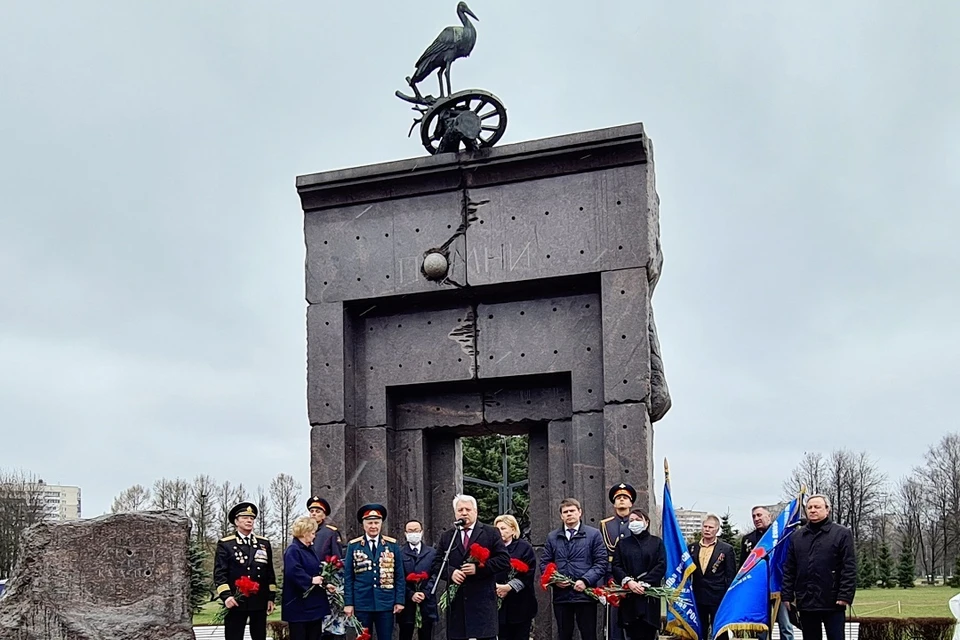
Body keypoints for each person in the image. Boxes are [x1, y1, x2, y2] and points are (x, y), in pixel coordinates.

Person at [431, 494, 510, 640]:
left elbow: (503, 560)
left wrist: (479, 569)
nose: (464, 513)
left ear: (476, 511)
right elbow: (437, 563)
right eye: (460, 510)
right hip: (457, 604)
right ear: (455, 513)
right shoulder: (448, 536)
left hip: (482, 600)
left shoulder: (490, 532)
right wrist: (451, 573)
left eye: (468, 509)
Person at [781, 494, 856, 640]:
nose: (813, 510)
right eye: (809, 507)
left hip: (833, 600)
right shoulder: (796, 536)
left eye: (817, 507)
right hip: (806, 600)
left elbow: (849, 567)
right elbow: (789, 568)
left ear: (827, 510)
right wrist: (787, 595)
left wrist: (845, 595)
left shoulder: (842, 533)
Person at [541, 498, 608, 640]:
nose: (569, 514)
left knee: (588, 634)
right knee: (564, 635)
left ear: (580, 513)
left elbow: (601, 562)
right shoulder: (552, 537)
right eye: (565, 512)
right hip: (562, 596)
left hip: (585, 595)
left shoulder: (593, 534)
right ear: (561, 516)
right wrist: (554, 580)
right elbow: (545, 563)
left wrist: (585, 580)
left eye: (572, 511)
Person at [213, 502, 277, 640]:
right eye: (244, 517)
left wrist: (271, 597)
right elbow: (220, 574)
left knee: (259, 636)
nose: (249, 521)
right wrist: (226, 596)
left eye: (251, 518)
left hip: (258, 600)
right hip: (236, 600)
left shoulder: (263, 543)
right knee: (234, 636)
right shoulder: (226, 544)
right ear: (236, 521)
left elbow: (269, 573)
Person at [343, 503, 406, 640]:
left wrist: (399, 600)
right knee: (363, 638)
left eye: (376, 522)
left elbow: (399, 576)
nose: (373, 526)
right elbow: (348, 577)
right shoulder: (354, 546)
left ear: (381, 524)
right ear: (363, 525)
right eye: (369, 523)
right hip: (362, 603)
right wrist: (348, 603)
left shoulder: (392, 545)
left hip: (385, 602)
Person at [611, 509, 666, 640]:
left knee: (648, 633)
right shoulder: (623, 544)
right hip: (630, 597)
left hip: (649, 596)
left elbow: (661, 565)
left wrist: (644, 583)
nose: (634, 522)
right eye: (631, 520)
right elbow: (616, 566)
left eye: (638, 520)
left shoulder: (656, 542)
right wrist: (628, 581)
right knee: (631, 633)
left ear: (646, 522)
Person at [741, 505, 794, 640]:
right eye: (754, 516)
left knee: (785, 625)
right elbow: (743, 566)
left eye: (759, 515)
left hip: (779, 586)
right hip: (758, 589)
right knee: (761, 626)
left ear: (769, 516)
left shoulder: (782, 534)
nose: (756, 518)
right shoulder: (748, 539)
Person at [282, 516, 333, 640]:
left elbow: (315, 571)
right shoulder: (293, 550)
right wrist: (310, 580)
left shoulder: (310, 549)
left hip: (314, 605)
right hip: (299, 607)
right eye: (312, 533)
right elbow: (293, 571)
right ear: (304, 533)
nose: (314, 536)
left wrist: (325, 584)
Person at [689, 513, 736, 640]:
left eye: (710, 527)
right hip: (698, 596)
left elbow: (730, 575)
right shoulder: (692, 548)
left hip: (718, 596)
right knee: (700, 628)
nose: (707, 530)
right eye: (705, 527)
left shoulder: (726, 549)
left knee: (720, 629)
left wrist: (727, 596)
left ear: (717, 529)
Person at [307, 496, 346, 640]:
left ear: (324, 515)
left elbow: (337, 560)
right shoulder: (304, 531)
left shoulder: (330, 532)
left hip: (328, 583)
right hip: (310, 583)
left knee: (330, 625)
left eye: (317, 511)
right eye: (311, 511)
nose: (314, 514)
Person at [493, 514, 538, 640]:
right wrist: (496, 587)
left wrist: (508, 587)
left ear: (513, 530)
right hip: (498, 604)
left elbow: (529, 573)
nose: (500, 532)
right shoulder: (492, 548)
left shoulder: (524, 548)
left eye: (503, 528)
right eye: (497, 529)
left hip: (520, 604)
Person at [601, 483, 637, 640]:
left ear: (631, 503)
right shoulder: (605, 524)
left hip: (633, 577)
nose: (622, 500)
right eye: (618, 498)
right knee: (613, 624)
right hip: (612, 578)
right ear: (614, 503)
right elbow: (602, 553)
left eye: (625, 498)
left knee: (634, 621)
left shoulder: (637, 523)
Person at [399, 519, 439, 640]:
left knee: (426, 635)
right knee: (405, 634)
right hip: (407, 604)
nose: (413, 533)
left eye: (416, 530)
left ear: (421, 532)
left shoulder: (432, 552)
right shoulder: (399, 553)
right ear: (405, 533)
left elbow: (435, 574)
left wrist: (425, 593)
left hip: (426, 602)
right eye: (410, 531)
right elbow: (398, 577)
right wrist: (411, 594)